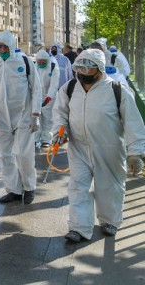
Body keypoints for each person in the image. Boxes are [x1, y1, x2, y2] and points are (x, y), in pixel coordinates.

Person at [52, 49, 145, 243]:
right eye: (80, 68)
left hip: (109, 148)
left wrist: (135, 152)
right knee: (78, 187)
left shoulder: (117, 90)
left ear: (100, 69)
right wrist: (59, 131)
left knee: (110, 186)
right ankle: (79, 227)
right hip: (79, 148)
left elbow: (133, 122)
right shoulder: (69, 88)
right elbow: (60, 112)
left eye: (88, 69)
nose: (83, 73)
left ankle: (110, 221)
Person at [0, 31, 42, 205]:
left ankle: (29, 187)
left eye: (4, 47)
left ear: (12, 46)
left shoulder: (25, 62)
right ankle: (14, 189)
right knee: (4, 155)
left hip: (24, 116)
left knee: (24, 154)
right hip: (1, 118)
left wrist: (35, 114)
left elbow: (36, 89)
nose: (1, 50)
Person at [35, 49, 60, 148]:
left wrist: (49, 97)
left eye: (43, 62)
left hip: (49, 97)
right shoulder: (34, 67)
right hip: (37, 96)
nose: (41, 63)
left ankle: (46, 139)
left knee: (47, 119)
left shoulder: (53, 67)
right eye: (39, 61)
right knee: (35, 118)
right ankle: (34, 139)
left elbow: (54, 84)